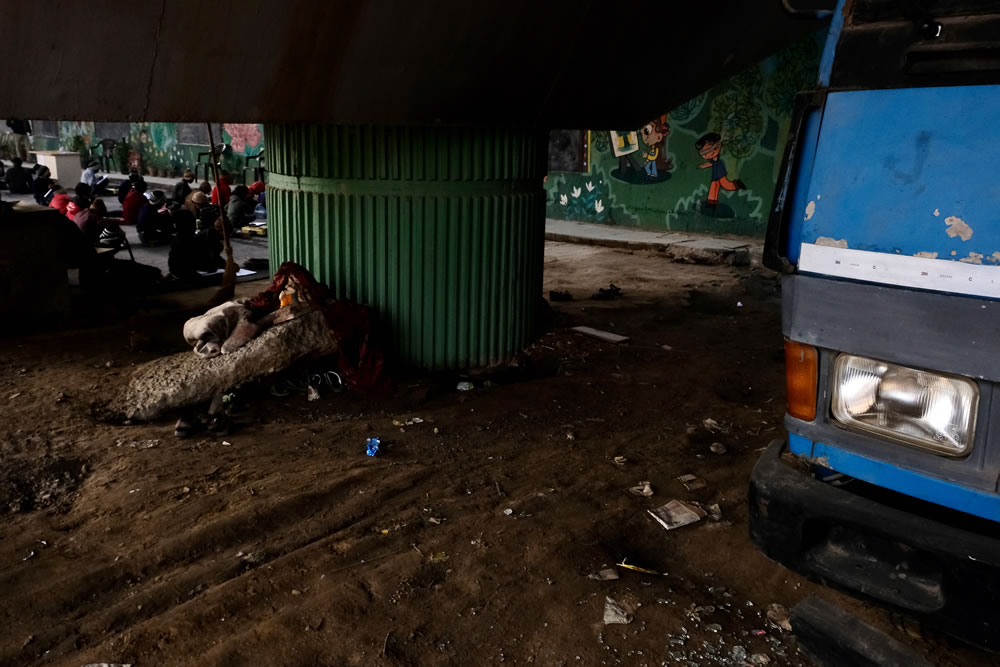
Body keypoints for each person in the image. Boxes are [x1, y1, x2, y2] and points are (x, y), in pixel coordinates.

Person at [695, 132, 747, 207]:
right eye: (704, 154)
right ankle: (711, 202)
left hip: (719, 171)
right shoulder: (713, 159)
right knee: (714, 186)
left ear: (718, 147)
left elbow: (713, 163)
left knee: (726, 185)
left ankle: (737, 184)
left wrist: (703, 166)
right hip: (716, 173)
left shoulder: (717, 160)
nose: (706, 155)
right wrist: (703, 166)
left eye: (714, 149)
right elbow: (711, 163)